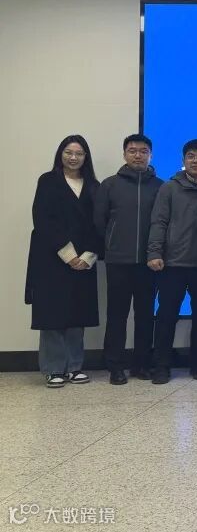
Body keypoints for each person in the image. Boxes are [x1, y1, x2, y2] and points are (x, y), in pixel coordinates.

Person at [26, 135, 102, 387]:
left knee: (77, 313)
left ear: (86, 157)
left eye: (79, 153)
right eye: (68, 152)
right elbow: (43, 219)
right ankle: (53, 368)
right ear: (61, 154)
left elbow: (100, 224)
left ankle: (74, 366)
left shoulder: (94, 185)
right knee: (53, 314)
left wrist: (88, 256)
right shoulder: (48, 181)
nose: (73, 157)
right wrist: (69, 255)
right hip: (52, 257)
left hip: (84, 260)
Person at [147, 139, 197, 384]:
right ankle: (161, 366)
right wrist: (154, 253)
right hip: (172, 264)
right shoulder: (169, 188)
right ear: (183, 160)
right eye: (191, 156)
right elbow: (158, 222)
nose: (196, 161)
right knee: (166, 316)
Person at [94, 134, 163, 385]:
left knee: (145, 316)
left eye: (143, 151)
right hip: (118, 262)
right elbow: (99, 221)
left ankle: (141, 364)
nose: (138, 155)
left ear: (150, 155)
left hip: (149, 263)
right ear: (124, 154)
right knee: (117, 316)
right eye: (132, 151)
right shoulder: (109, 185)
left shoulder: (161, 187)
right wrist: (110, 248)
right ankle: (115, 366)